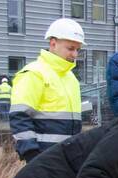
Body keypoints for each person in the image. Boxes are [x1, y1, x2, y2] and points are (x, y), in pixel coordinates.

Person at [10, 18, 84, 162]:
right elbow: (19, 116)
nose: (75, 54)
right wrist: (31, 154)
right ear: (53, 43)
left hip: (69, 157)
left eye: (77, 49)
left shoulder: (70, 78)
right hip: (44, 158)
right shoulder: (34, 73)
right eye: (70, 48)